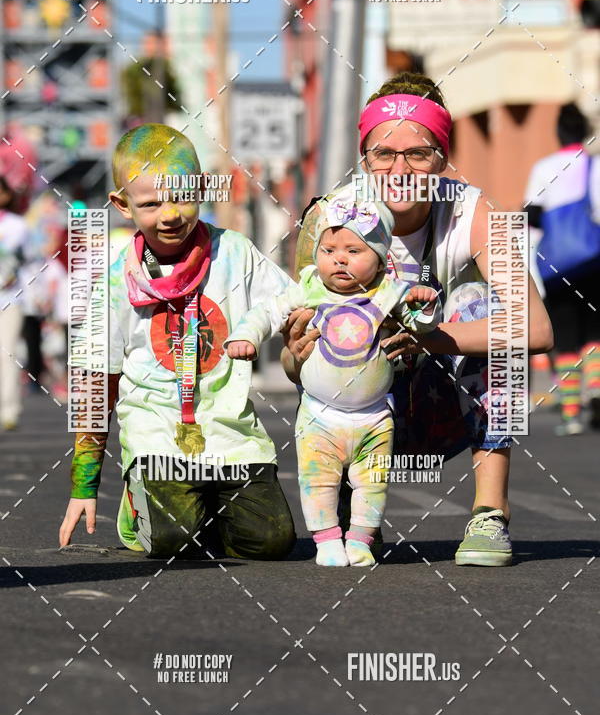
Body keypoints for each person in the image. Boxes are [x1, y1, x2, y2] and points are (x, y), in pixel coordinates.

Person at [283, 72, 554, 567]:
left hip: (441, 400)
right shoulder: (330, 218)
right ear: (365, 159)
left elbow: (536, 329)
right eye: (384, 154)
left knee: (483, 304)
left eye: (418, 153)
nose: (400, 169)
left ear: (442, 158)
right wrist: (294, 354)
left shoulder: (476, 210)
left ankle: (490, 513)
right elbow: (292, 361)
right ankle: (351, 504)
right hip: (360, 406)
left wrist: (429, 339)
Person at [59, 123, 296, 560]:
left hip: (231, 435)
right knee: (172, 540)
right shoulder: (115, 282)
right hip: (157, 438)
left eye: (182, 197)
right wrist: (84, 486)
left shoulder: (235, 252)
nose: (169, 215)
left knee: (270, 541)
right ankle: (142, 503)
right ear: (122, 204)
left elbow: (292, 304)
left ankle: (208, 509)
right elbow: (96, 384)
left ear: (202, 189)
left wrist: (288, 334)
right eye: (150, 204)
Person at [226, 186, 441, 567]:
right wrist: (246, 336)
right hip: (320, 415)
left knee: (373, 483)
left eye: (354, 251)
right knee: (317, 481)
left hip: (375, 416)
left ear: (380, 260)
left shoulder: (389, 292)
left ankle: (360, 539)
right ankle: (326, 540)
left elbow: (421, 326)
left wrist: (424, 306)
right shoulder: (310, 288)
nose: (339, 259)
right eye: (328, 251)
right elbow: (268, 312)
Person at [525, 102, 600, 435]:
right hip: (594, 260)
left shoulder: (544, 168)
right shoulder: (595, 165)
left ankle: (571, 415)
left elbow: (531, 216)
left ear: (558, 133)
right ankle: (596, 389)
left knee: (566, 339)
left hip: (557, 266)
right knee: (595, 332)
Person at [0, 174, 28, 430]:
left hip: (9, 299)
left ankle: (8, 410)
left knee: (7, 352)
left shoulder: (17, 225)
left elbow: (18, 258)